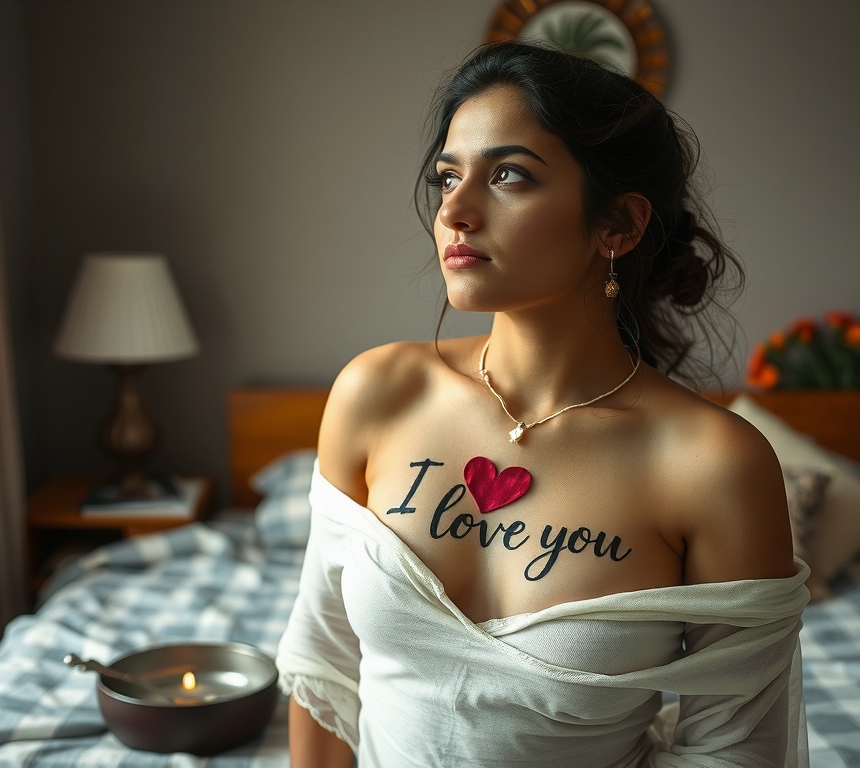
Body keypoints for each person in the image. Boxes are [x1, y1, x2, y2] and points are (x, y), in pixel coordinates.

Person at [276, 41, 809, 768]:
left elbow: (734, 750)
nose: (455, 212)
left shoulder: (713, 464)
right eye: (447, 178)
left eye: (509, 176)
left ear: (617, 225)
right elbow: (325, 664)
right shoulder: (378, 393)